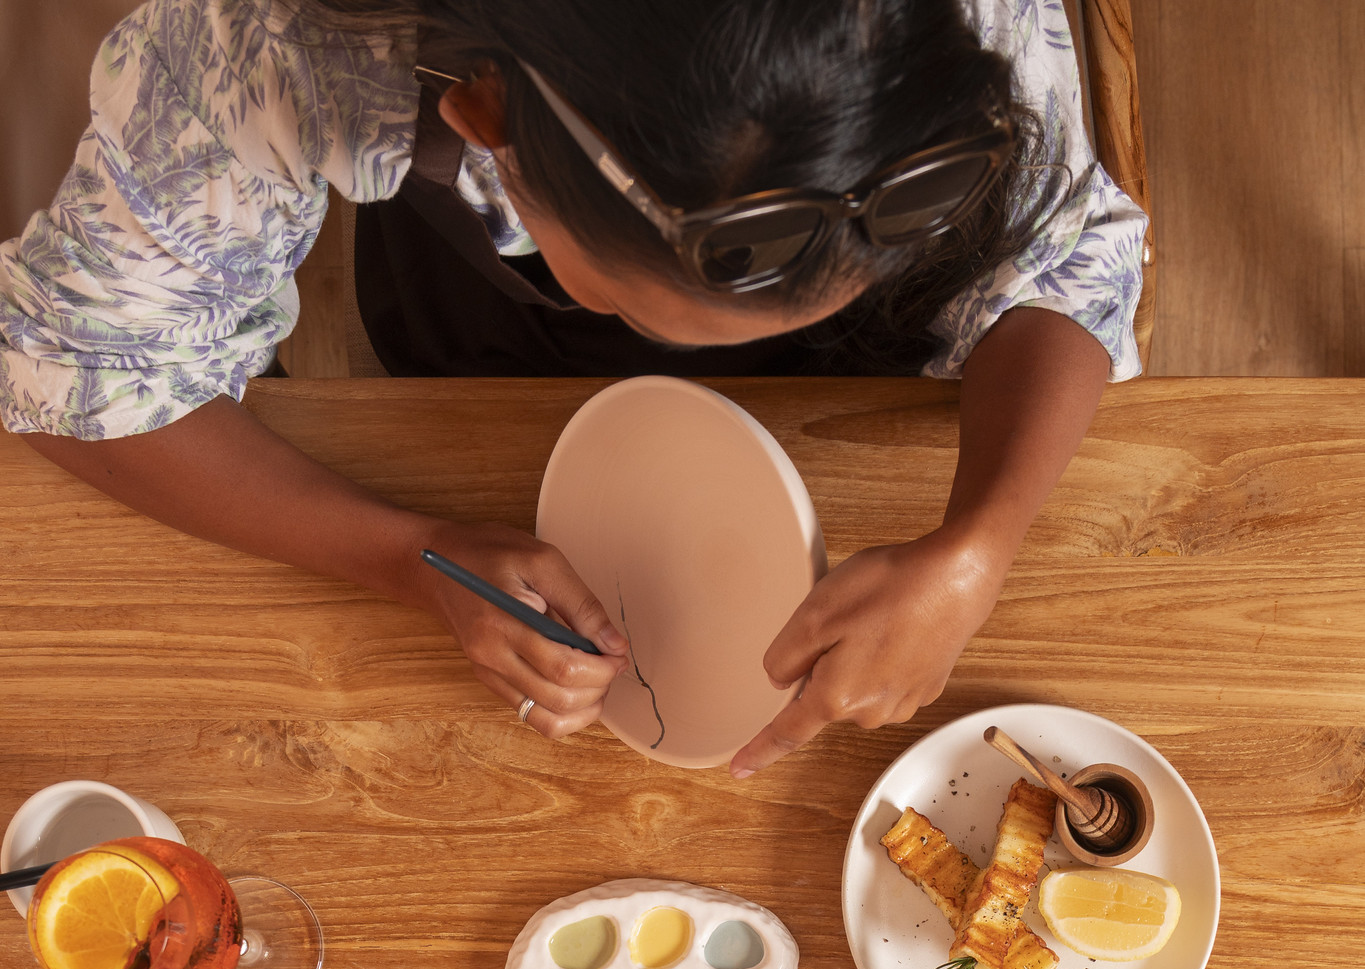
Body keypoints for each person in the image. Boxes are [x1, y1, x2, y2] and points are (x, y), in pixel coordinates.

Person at [0, 0, 1145, 776]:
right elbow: (76, 370)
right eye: (639, 311)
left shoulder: (925, 29)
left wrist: (983, 540)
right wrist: (410, 555)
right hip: (480, 357)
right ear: (484, 121)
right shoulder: (274, 47)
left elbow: (1068, 262)